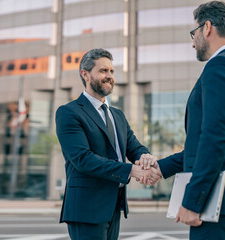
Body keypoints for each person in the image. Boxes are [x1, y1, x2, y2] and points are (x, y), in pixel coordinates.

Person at [137, 1, 225, 239]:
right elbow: (208, 144)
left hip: (220, 203)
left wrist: (193, 200)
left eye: (193, 33)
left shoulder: (220, 67)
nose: (192, 41)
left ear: (207, 28)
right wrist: (160, 168)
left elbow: (215, 139)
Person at [55, 48, 161, 240]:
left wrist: (145, 157)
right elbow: (83, 159)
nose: (109, 76)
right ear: (85, 74)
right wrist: (131, 171)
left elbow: (134, 147)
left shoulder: (117, 115)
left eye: (111, 71)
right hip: (86, 208)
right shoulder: (69, 112)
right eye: (103, 71)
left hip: (113, 204)